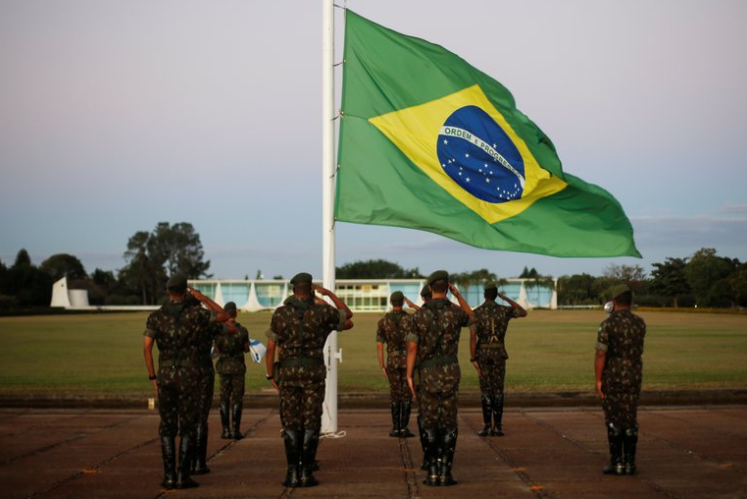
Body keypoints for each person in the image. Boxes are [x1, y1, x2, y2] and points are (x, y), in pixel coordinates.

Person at [143, 274, 234, 490]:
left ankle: (168, 476)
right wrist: (201, 297)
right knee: (187, 426)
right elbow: (223, 315)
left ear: (168, 292)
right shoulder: (197, 314)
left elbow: (147, 347)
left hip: (165, 375)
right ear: (185, 292)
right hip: (190, 375)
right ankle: (183, 476)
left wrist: (152, 376)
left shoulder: (156, 317)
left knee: (166, 427)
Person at [264, 273, 354, 488]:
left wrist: (270, 374)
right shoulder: (322, 312)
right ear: (311, 289)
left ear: (293, 290)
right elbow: (348, 317)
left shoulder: (281, 313)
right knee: (311, 420)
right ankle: (306, 473)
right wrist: (327, 294)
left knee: (291, 422)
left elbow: (270, 348)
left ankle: (292, 473)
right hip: (313, 373)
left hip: (288, 373)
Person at [406, 271, 473, 487]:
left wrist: (408, 374)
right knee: (449, 423)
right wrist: (458, 295)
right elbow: (473, 317)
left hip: (426, 375)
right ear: (447, 288)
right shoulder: (455, 312)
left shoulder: (417, 316)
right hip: (450, 372)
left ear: (430, 288)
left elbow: (412, 347)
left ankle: (432, 471)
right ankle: (445, 472)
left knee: (429, 422)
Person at [595, 284, 646, 476]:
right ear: (631, 302)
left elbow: (601, 354)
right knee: (630, 418)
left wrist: (598, 380)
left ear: (614, 301)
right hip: (634, 376)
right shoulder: (640, 323)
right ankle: (630, 463)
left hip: (613, 376)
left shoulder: (607, 324)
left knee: (614, 419)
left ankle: (617, 463)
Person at [469, 282, 527, 437]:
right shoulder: (504, 310)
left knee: (486, 390)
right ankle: (498, 426)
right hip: (498, 353)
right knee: (498, 390)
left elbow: (473, 338)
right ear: (496, 295)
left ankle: (487, 426)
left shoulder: (477, 313)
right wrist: (506, 298)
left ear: (484, 295)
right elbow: (523, 312)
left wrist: (473, 358)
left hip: (483, 354)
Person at [376, 291, 414, 438]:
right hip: (407, 360)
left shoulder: (383, 322)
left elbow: (379, 346)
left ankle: (395, 428)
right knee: (406, 394)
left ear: (391, 303)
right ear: (403, 302)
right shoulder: (410, 320)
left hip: (392, 360)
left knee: (394, 393)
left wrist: (382, 366)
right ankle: (404, 428)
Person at [214, 301, 251, 440]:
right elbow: (247, 349)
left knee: (224, 399)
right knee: (237, 399)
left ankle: (225, 430)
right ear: (236, 313)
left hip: (223, 367)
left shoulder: (219, 330)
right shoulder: (242, 330)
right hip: (238, 367)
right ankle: (235, 430)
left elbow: (216, 350)